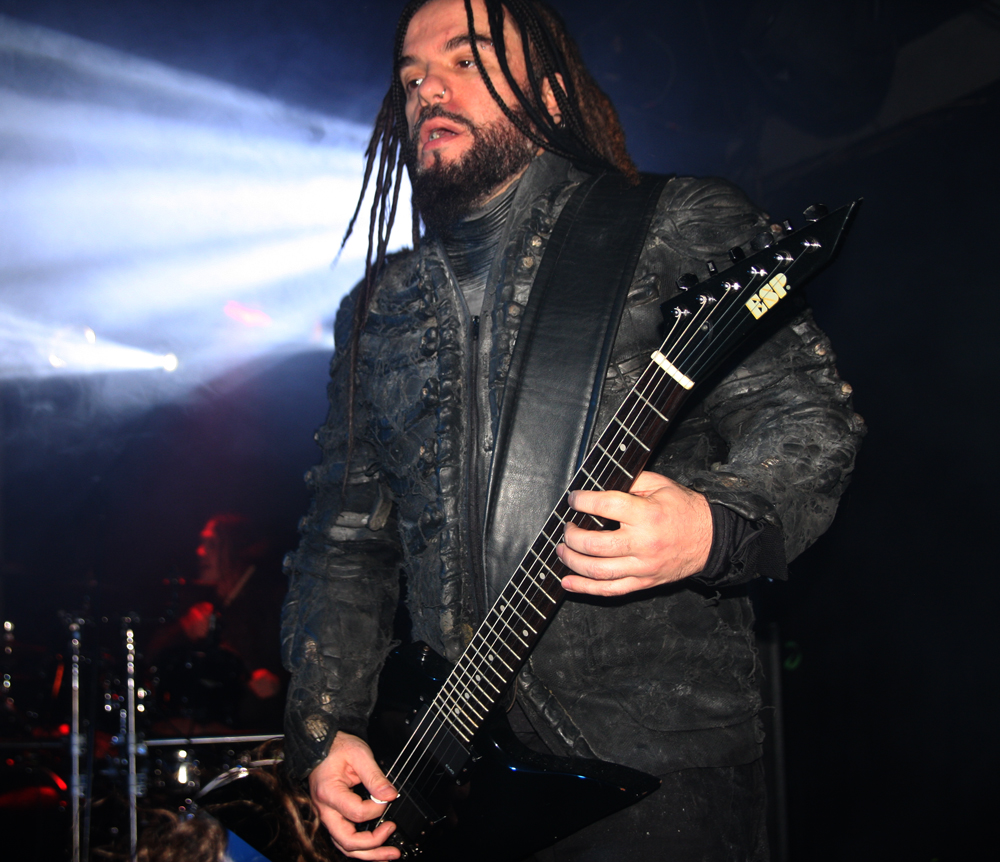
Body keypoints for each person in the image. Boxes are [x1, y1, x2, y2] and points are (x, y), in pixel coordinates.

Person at [280, 1, 864, 859]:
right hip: (445, 774)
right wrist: (328, 725)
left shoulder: (672, 222)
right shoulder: (380, 308)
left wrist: (708, 527)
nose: (428, 87)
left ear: (551, 98)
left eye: (466, 59)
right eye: (411, 76)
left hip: (649, 766)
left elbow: (810, 420)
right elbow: (344, 542)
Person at [149, 514, 287, 734]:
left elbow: (285, 670)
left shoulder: (272, 598)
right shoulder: (203, 598)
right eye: (202, 543)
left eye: (212, 544)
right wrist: (184, 627)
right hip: (213, 728)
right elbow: (151, 656)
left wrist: (278, 682)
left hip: (259, 731)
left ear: (236, 548)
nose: (200, 551)